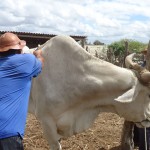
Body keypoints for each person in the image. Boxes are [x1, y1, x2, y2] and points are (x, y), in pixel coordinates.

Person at [0, 32, 44, 150]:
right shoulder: (27, 61)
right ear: (19, 49)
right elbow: (40, 64)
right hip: (7, 136)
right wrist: (38, 53)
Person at [133, 48, 150, 150]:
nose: (146, 55)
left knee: (146, 126)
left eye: (147, 53)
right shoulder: (143, 64)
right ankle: (138, 142)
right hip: (142, 97)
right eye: (146, 53)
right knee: (140, 122)